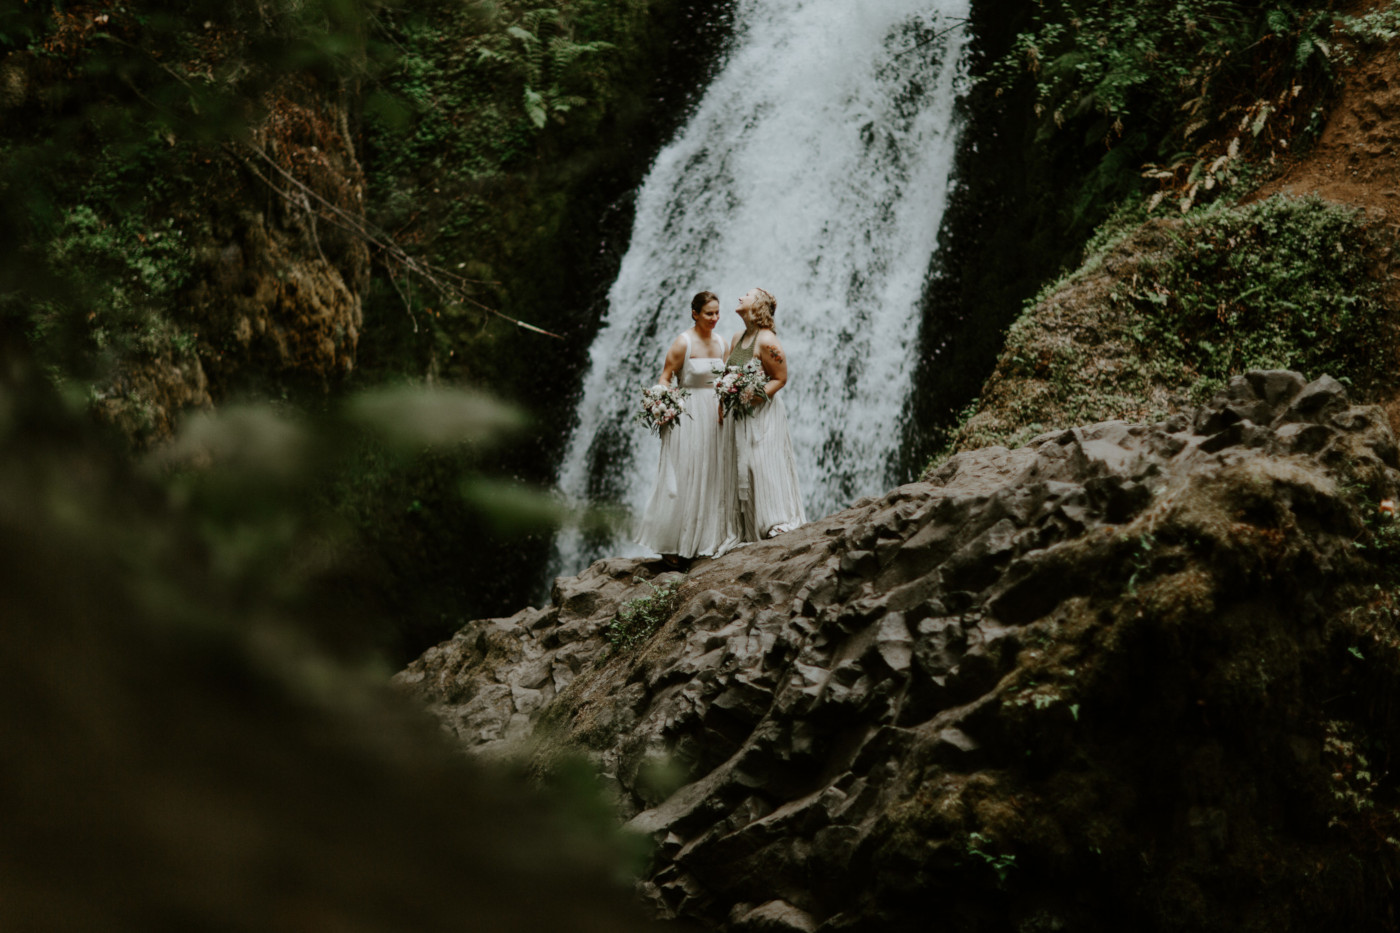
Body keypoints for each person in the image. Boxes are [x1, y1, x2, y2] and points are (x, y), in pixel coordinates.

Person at [636, 291, 729, 564]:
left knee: (712, 473)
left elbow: (727, 380)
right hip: (687, 415)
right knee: (684, 473)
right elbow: (665, 378)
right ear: (695, 313)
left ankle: (706, 539)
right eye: (709, 313)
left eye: (717, 312)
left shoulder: (723, 344)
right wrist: (664, 404)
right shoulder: (683, 343)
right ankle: (672, 545)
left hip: (715, 415)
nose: (714, 318)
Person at [717, 287, 805, 549]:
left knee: (761, 463)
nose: (740, 296)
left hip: (762, 413)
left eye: (747, 294)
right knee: (740, 465)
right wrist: (722, 401)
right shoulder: (737, 337)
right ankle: (748, 527)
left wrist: (753, 396)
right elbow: (726, 375)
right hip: (738, 415)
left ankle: (776, 522)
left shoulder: (767, 340)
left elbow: (781, 378)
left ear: (759, 306)